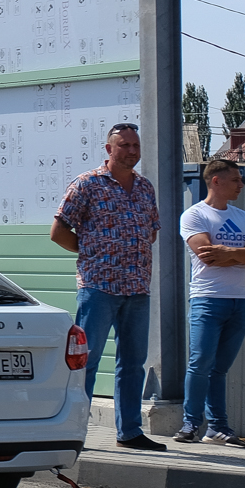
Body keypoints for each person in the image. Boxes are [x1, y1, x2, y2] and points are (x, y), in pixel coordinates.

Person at [50, 122, 164, 452]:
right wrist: (93, 252)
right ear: (109, 149)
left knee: (132, 362)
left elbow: (152, 230)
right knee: (87, 361)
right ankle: (74, 431)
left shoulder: (145, 188)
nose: (132, 151)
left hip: (137, 288)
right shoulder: (88, 184)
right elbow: (58, 231)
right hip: (98, 287)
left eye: (135, 145)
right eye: (125, 145)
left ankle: (129, 431)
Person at [178, 158, 245, 446]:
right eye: (235, 180)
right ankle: (190, 424)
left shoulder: (244, 217)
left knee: (220, 369)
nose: (241, 185)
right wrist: (243, 255)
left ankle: (218, 428)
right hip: (208, 299)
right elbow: (207, 254)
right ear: (216, 181)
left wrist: (229, 252)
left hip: (240, 301)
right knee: (200, 363)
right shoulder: (194, 215)